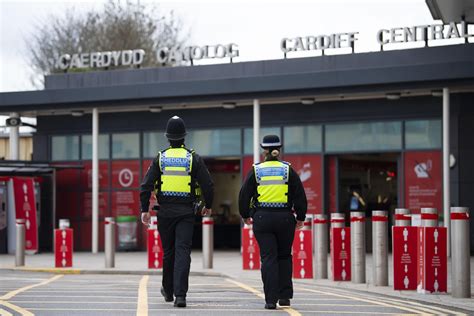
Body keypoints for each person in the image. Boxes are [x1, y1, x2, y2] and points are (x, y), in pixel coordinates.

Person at [140, 115, 214, 308]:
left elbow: (145, 185)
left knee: (169, 252)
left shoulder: (160, 158)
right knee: (183, 252)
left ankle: (168, 290)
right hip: (186, 213)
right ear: (184, 137)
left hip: (164, 212)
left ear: (167, 137)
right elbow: (208, 183)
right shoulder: (193, 158)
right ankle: (180, 296)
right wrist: (208, 205)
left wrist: (144, 210)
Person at [239, 135, 307, 310]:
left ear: (264, 151)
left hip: (262, 218)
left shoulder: (256, 170)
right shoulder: (287, 170)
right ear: (279, 150)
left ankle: (270, 300)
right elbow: (299, 195)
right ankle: (284, 296)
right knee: (284, 256)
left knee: (268, 258)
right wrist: (300, 217)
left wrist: (245, 214)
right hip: (285, 218)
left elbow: (244, 194)